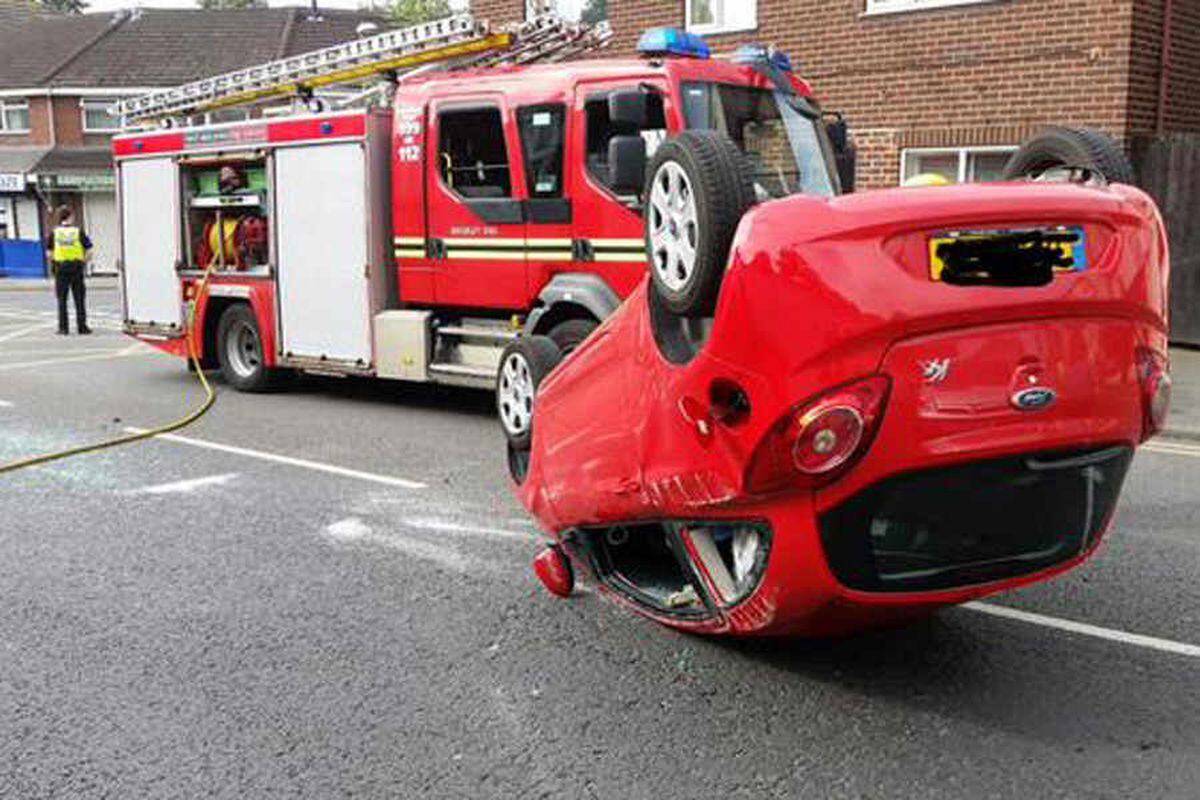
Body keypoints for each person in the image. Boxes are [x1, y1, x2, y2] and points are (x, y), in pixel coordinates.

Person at [46, 206, 92, 335]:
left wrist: (55, 262)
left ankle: (63, 328)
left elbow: (49, 253)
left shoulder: (54, 233)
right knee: (79, 299)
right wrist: (83, 262)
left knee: (62, 300)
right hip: (76, 268)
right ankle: (82, 327)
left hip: (61, 269)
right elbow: (89, 250)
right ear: (70, 217)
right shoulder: (78, 231)